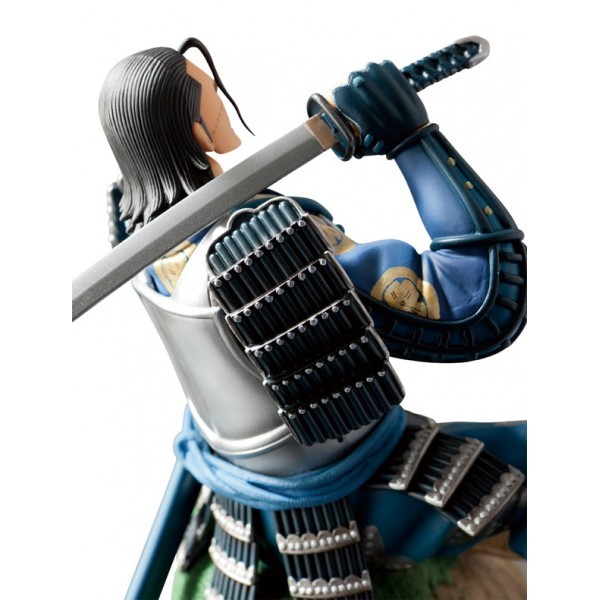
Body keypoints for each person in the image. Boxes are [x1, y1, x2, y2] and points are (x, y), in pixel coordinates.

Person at [99, 38, 527, 600]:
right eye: (211, 94)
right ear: (197, 128)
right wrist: (413, 139)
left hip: (234, 479)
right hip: (348, 479)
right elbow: (479, 302)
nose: (222, 102)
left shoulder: (132, 231)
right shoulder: (264, 243)